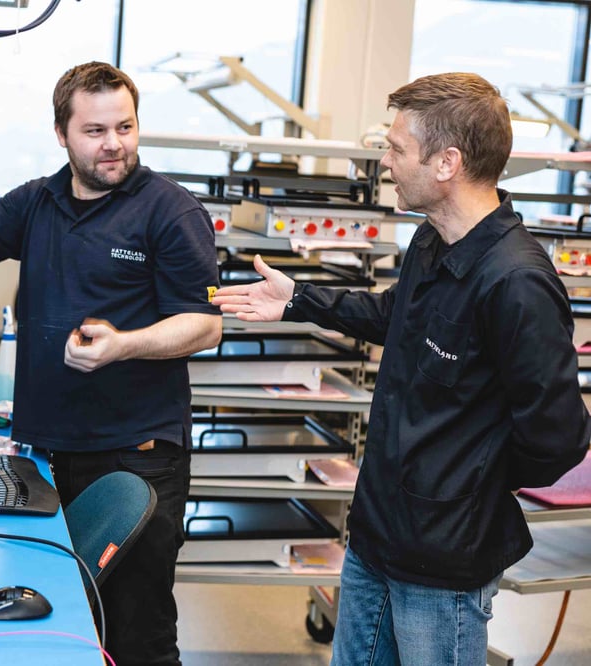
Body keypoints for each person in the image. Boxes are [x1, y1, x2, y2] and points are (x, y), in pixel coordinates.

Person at [213, 72, 591, 665]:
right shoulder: (432, 241)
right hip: (377, 534)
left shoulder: (516, 283)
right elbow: (394, 317)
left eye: (395, 148)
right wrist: (298, 301)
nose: (384, 159)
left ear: (447, 162)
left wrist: (469, 485)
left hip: (442, 560)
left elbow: (559, 437)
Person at [0, 61, 222, 665]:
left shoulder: (171, 212)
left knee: (136, 634)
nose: (114, 143)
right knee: (63, 625)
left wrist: (123, 344)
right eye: (95, 131)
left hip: (135, 459)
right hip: (47, 453)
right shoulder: (39, 201)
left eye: (125, 126)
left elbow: (205, 326)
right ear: (62, 134)